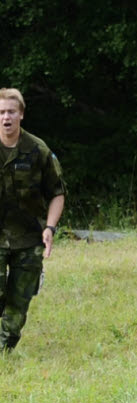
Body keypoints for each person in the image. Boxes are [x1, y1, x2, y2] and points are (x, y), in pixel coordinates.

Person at [0, 88, 66, 352]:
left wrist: (50, 228)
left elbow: (57, 193)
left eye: (11, 112)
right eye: (1, 112)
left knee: (19, 301)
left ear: (21, 115)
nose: (6, 117)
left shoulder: (38, 150)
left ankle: (3, 351)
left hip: (29, 237)